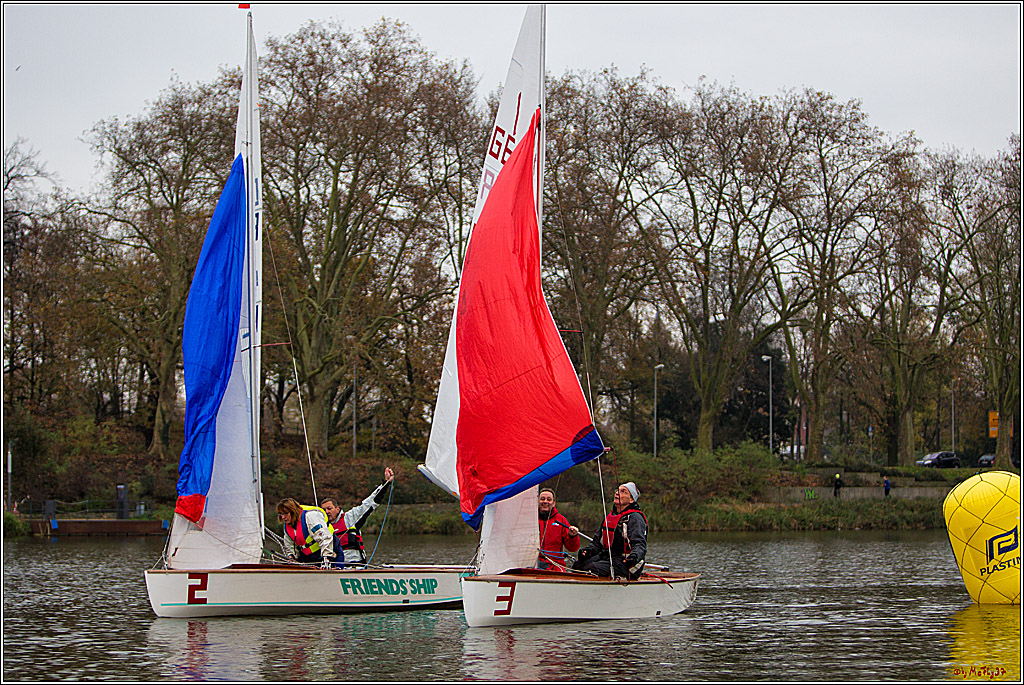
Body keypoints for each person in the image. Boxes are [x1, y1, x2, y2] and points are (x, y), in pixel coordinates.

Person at [572, 482, 647, 580]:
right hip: (609, 557)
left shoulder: (635, 518)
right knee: (577, 565)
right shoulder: (611, 517)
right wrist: (588, 551)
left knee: (591, 569)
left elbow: (640, 545)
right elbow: (597, 542)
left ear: (631, 499)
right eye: (617, 491)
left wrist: (633, 558)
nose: (617, 493)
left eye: (623, 492)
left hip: (627, 563)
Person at [321, 466, 394, 565]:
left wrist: (385, 483)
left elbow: (369, 503)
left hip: (354, 563)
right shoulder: (321, 526)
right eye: (324, 510)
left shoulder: (350, 518)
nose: (327, 512)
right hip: (334, 565)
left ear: (337, 509)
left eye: (329, 509)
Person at [277, 497, 342, 568]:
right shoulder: (288, 525)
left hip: (330, 551)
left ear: (293, 512)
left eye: (286, 513)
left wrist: (327, 558)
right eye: (281, 514)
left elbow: (325, 538)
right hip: (309, 556)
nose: (283, 517)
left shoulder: (310, 516)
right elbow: (289, 545)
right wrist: (291, 556)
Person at [537, 488, 580, 571]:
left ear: (553, 503)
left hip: (555, 567)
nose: (545, 501)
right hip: (532, 566)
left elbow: (573, 548)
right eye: (542, 499)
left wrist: (573, 536)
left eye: (549, 499)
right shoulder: (529, 519)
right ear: (538, 501)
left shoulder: (561, 520)